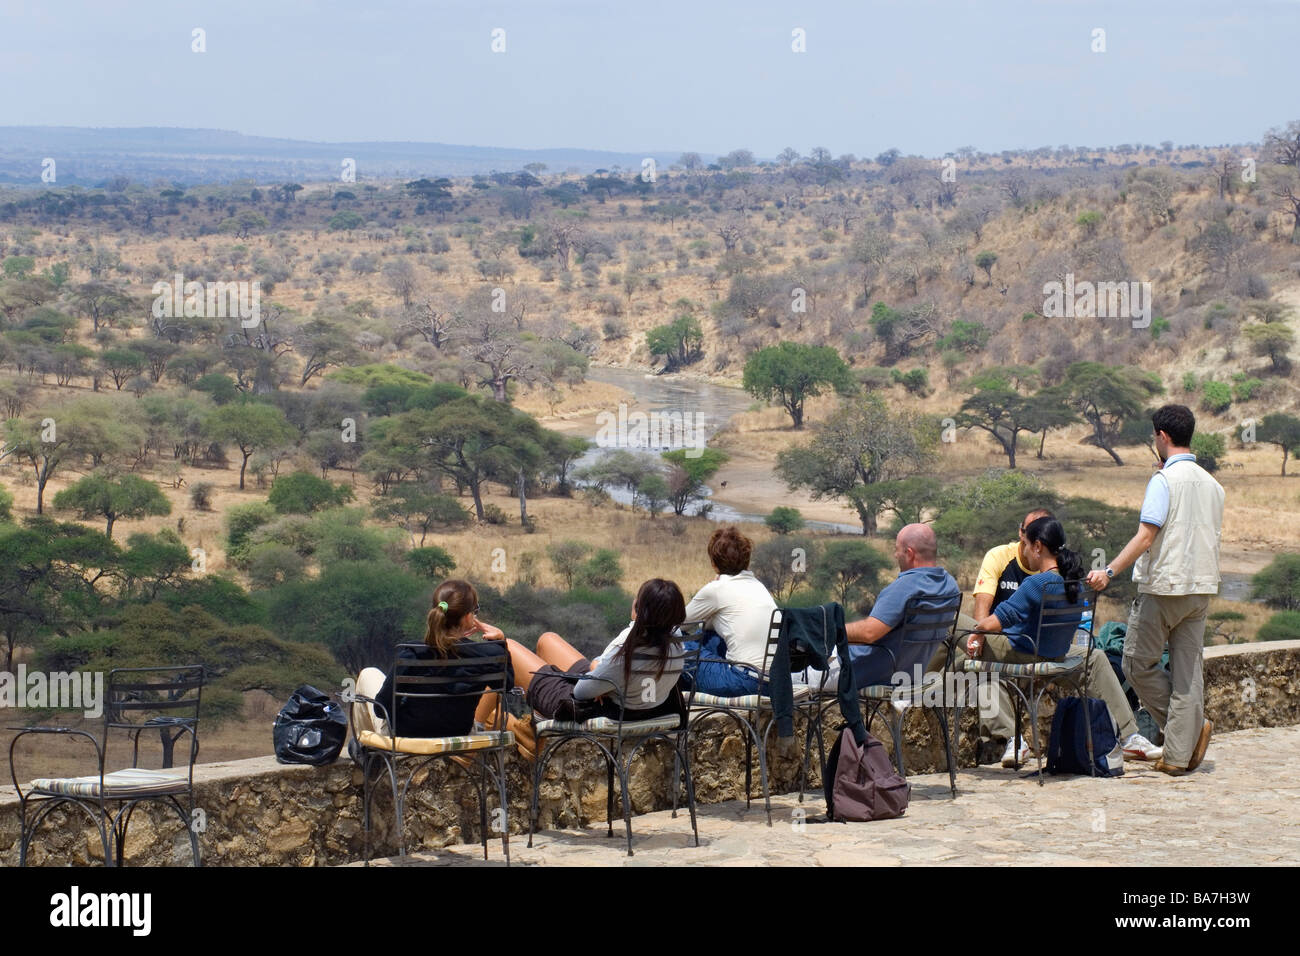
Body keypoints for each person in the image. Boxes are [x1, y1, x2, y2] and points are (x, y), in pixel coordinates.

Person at [1086, 404, 1223, 776]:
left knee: (1135, 663)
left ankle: (1188, 734)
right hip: (1200, 587)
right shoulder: (1213, 485)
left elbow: (1147, 535)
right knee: (1186, 673)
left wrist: (1109, 571)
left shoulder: (1164, 480)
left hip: (1164, 586)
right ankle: (1179, 754)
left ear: (1162, 436)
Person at [959, 516, 1162, 767]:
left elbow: (1003, 616)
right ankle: (1130, 736)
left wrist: (978, 631)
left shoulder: (1037, 582)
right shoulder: (1074, 581)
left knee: (955, 621)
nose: (1024, 553)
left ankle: (1012, 738)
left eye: (1026, 546)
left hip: (1025, 651)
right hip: (1057, 654)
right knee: (1095, 657)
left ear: (1037, 546)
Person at [507, 578, 686, 722]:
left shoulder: (628, 645)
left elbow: (581, 692)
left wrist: (596, 668)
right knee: (547, 640)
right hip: (635, 700)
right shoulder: (677, 642)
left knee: (508, 648)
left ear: (640, 608)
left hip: (602, 705)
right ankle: (533, 725)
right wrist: (602, 678)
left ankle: (531, 733)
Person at [354, 579, 512, 739]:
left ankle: (366, 751)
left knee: (368, 674)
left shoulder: (411, 653)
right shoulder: (487, 655)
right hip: (459, 733)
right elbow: (507, 685)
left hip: (406, 735)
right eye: (475, 610)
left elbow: (381, 709)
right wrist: (500, 642)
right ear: (467, 618)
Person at [842, 523, 961, 689]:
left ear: (909, 553)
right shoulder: (950, 585)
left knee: (796, 673)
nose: (895, 554)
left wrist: (828, 631)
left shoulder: (905, 587)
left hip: (863, 673)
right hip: (913, 675)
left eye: (897, 549)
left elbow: (869, 632)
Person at [681, 526, 778, 696]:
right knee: (710, 637)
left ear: (714, 563)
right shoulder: (759, 586)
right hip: (774, 684)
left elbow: (675, 624)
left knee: (676, 646)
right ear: (747, 561)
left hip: (743, 681)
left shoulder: (717, 589)